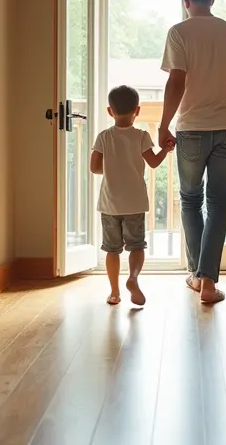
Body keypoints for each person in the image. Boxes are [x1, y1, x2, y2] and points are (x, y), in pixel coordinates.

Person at [157, 0, 226, 305]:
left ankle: (198, 276)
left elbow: (176, 82)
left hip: (192, 128)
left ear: (185, 2)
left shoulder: (179, 33)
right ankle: (208, 281)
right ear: (212, 0)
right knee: (218, 204)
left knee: (190, 199)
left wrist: (163, 124)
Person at [90, 85, 169, 306]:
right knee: (136, 245)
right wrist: (165, 150)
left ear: (109, 111)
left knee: (112, 249)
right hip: (134, 202)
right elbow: (153, 163)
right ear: (137, 110)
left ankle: (114, 292)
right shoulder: (141, 136)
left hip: (110, 203)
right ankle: (133, 279)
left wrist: (112, 167)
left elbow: (94, 167)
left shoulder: (104, 137)